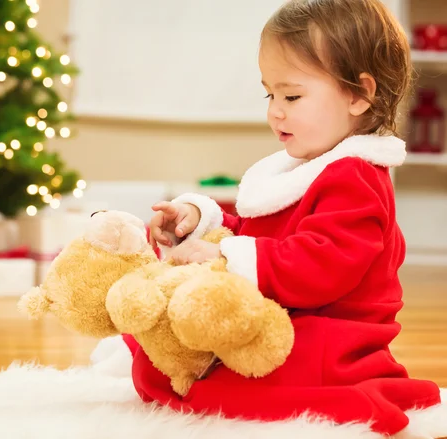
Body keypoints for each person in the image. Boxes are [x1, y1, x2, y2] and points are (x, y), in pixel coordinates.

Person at [129, 0, 445, 435]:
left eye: (292, 96)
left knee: (212, 392)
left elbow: (318, 265)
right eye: (270, 94)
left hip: (334, 340)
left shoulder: (355, 176)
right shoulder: (304, 165)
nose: (275, 110)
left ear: (358, 95)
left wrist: (224, 257)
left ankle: (353, 402)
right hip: (286, 322)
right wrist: (198, 221)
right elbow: (261, 236)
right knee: (159, 351)